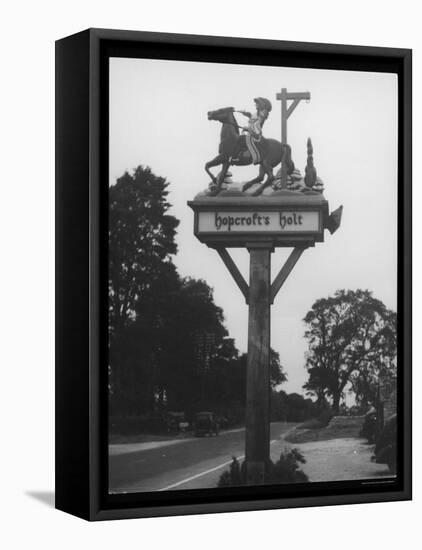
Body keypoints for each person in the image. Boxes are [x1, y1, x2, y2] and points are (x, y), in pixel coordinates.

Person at [234, 97, 272, 164]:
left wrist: (248, 129)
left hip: (255, 134)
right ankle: (241, 154)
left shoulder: (262, 114)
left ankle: (245, 155)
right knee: (240, 139)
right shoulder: (257, 114)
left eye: (257, 103)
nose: (255, 105)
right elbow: (252, 117)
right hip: (251, 132)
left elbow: (257, 123)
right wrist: (246, 114)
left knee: (241, 138)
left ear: (261, 105)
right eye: (256, 103)